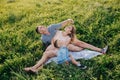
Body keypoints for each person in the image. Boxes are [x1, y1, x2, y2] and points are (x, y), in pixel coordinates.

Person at [36, 19, 108, 53]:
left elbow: (61, 24)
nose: (42, 28)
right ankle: (81, 49)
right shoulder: (43, 38)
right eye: (40, 29)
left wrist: (68, 20)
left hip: (66, 37)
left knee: (80, 43)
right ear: (40, 33)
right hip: (62, 44)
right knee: (76, 49)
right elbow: (49, 45)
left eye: (41, 26)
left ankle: (101, 50)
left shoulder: (51, 27)